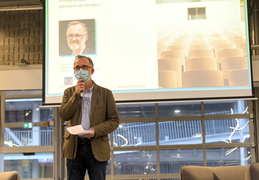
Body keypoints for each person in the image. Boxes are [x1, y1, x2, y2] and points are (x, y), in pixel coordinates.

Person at [59, 55, 119, 180]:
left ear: (91, 71)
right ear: (74, 72)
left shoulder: (105, 93)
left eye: (85, 67)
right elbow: (64, 115)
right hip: (74, 147)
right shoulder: (69, 92)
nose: (81, 70)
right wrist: (76, 95)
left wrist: (95, 131)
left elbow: (114, 120)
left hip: (97, 146)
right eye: (77, 67)